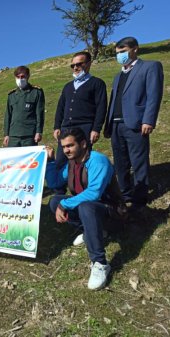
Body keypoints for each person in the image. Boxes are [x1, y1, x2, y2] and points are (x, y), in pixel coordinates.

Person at [45, 127, 126, 290]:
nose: (66, 150)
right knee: (54, 201)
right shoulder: (72, 163)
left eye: (70, 146)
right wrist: (50, 162)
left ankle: (100, 263)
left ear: (83, 144)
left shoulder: (98, 161)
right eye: (64, 147)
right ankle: (92, 231)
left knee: (86, 206)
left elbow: (94, 193)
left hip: (112, 212)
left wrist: (65, 204)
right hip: (90, 210)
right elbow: (54, 183)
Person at [104, 36, 164, 211]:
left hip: (136, 123)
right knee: (120, 163)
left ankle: (139, 198)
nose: (120, 56)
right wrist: (108, 125)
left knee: (138, 161)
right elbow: (114, 100)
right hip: (116, 125)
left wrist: (148, 120)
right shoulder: (117, 76)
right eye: (118, 53)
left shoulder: (150, 67)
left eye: (123, 52)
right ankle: (125, 194)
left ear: (135, 49)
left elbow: (154, 95)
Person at [54, 51, 107, 169]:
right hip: (66, 128)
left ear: (88, 64)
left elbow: (101, 107)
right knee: (61, 161)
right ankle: (59, 187)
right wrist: (57, 126)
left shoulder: (97, 83)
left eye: (79, 64)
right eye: (73, 65)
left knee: (82, 161)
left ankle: (82, 186)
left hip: (85, 128)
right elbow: (60, 107)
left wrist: (96, 129)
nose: (75, 68)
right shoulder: (68, 86)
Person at [3, 66, 45, 147]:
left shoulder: (36, 92)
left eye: (23, 77)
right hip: (13, 135)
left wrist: (38, 132)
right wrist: (6, 134)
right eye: (18, 77)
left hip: (29, 135)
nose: (20, 79)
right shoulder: (11, 95)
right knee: (13, 159)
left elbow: (40, 114)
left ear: (28, 76)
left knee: (30, 159)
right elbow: (8, 115)